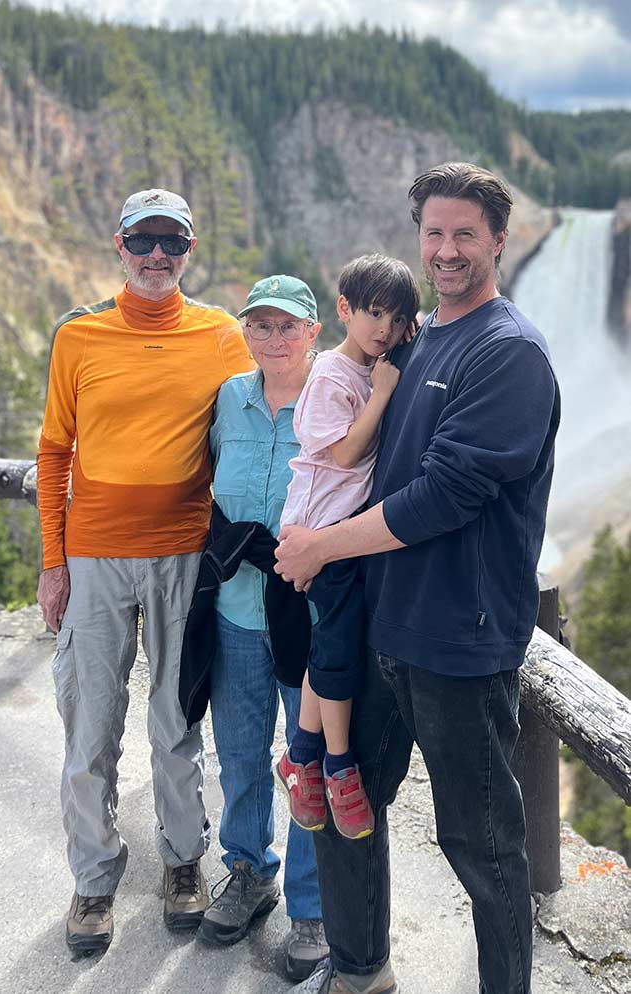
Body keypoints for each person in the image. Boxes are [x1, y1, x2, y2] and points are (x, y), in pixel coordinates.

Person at [276, 162, 561, 994]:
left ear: (499, 241)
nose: (446, 250)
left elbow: (443, 495)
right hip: (380, 623)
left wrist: (323, 547)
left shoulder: (509, 353)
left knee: (484, 847)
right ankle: (360, 969)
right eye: (434, 232)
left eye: (465, 233)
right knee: (346, 800)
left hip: (459, 641)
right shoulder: (415, 338)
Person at [36, 188, 254, 953]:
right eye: (143, 240)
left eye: (172, 241)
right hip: (94, 556)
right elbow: (54, 451)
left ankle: (183, 861)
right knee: (89, 721)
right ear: (120, 245)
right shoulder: (79, 336)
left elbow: (263, 420)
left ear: (190, 249)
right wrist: (53, 563)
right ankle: (95, 876)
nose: (157, 255)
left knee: (176, 717)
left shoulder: (222, 336)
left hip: (182, 555)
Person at [197, 275, 329, 981]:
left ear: (313, 331)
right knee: (241, 750)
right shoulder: (229, 398)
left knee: (310, 760)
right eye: (261, 325)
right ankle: (249, 871)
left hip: (310, 612)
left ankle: (313, 907)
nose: (274, 339)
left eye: (288, 326)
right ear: (245, 332)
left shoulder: (337, 399)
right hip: (237, 609)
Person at [274, 256, 419, 842]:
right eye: (374, 313)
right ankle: (336, 765)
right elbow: (345, 454)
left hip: (342, 530)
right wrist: (382, 394)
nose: (384, 328)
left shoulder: (368, 366)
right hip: (321, 530)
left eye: (397, 318)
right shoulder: (334, 376)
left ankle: (300, 756)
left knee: (331, 642)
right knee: (336, 649)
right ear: (344, 310)